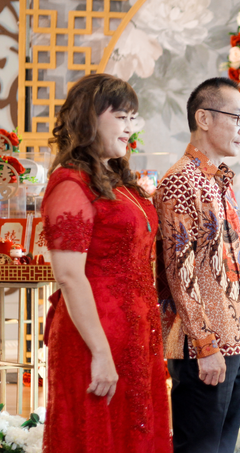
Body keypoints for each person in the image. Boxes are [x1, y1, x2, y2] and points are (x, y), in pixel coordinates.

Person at [41, 73, 171, 452]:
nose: (131, 127)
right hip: (94, 336)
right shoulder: (71, 183)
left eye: (134, 118)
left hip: (134, 335)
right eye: (122, 117)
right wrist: (100, 352)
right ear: (89, 118)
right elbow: (68, 275)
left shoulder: (116, 179)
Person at [154, 77, 240, 453]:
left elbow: (233, 267)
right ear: (203, 118)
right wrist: (204, 343)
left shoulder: (220, 181)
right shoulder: (181, 182)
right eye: (236, 117)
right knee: (199, 448)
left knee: (222, 448)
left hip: (235, 340)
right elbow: (179, 274)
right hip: (205, 346)